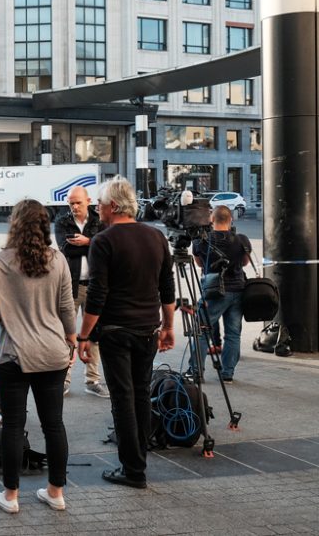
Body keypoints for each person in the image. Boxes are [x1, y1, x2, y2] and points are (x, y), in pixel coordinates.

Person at [0, 199, 76, 514]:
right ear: (45, 225)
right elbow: (67, 306)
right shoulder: (58, 260)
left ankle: (11, 496)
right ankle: (56, 492)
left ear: (14, 225)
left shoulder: (3, 261)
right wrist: (72, 339)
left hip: (14, 355)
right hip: (53, 352)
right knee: (54, 424)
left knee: (14, 426)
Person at [78, 176, 175, 489]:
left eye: (101, 203)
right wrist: (169, 327)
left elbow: (97, 294)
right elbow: (167, 289)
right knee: (141, 394)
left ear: (114, 206)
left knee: (123, 399)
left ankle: (132, 470)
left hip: (116, 331)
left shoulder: (103, 241)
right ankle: (139, 463)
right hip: (148, 329)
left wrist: (83, 337)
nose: (97, 208)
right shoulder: (157, 237)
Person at [53, 185, 109, 398]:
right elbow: (65, 248)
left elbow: (105, 247)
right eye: (71, 203)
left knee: (93, 334)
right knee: (67, 334)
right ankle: (63, 380)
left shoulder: (99, 221)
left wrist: (88, 241)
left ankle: (92, 380)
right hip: (71, 286)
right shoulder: (62, 221)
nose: (74, 207)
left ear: (88, 201)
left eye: (78, 202)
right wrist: (94, 244)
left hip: (95, 285)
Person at [189, 205, 251, 382]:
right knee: (233, 334)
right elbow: (245, 262)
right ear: (230, 219)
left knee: (202, 331)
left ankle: (196, 370)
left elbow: (200, 264)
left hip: (213, 292)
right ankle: (227, 373)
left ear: (211, 220)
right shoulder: (242, 240)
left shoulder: (201, 241)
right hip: (238, 290)